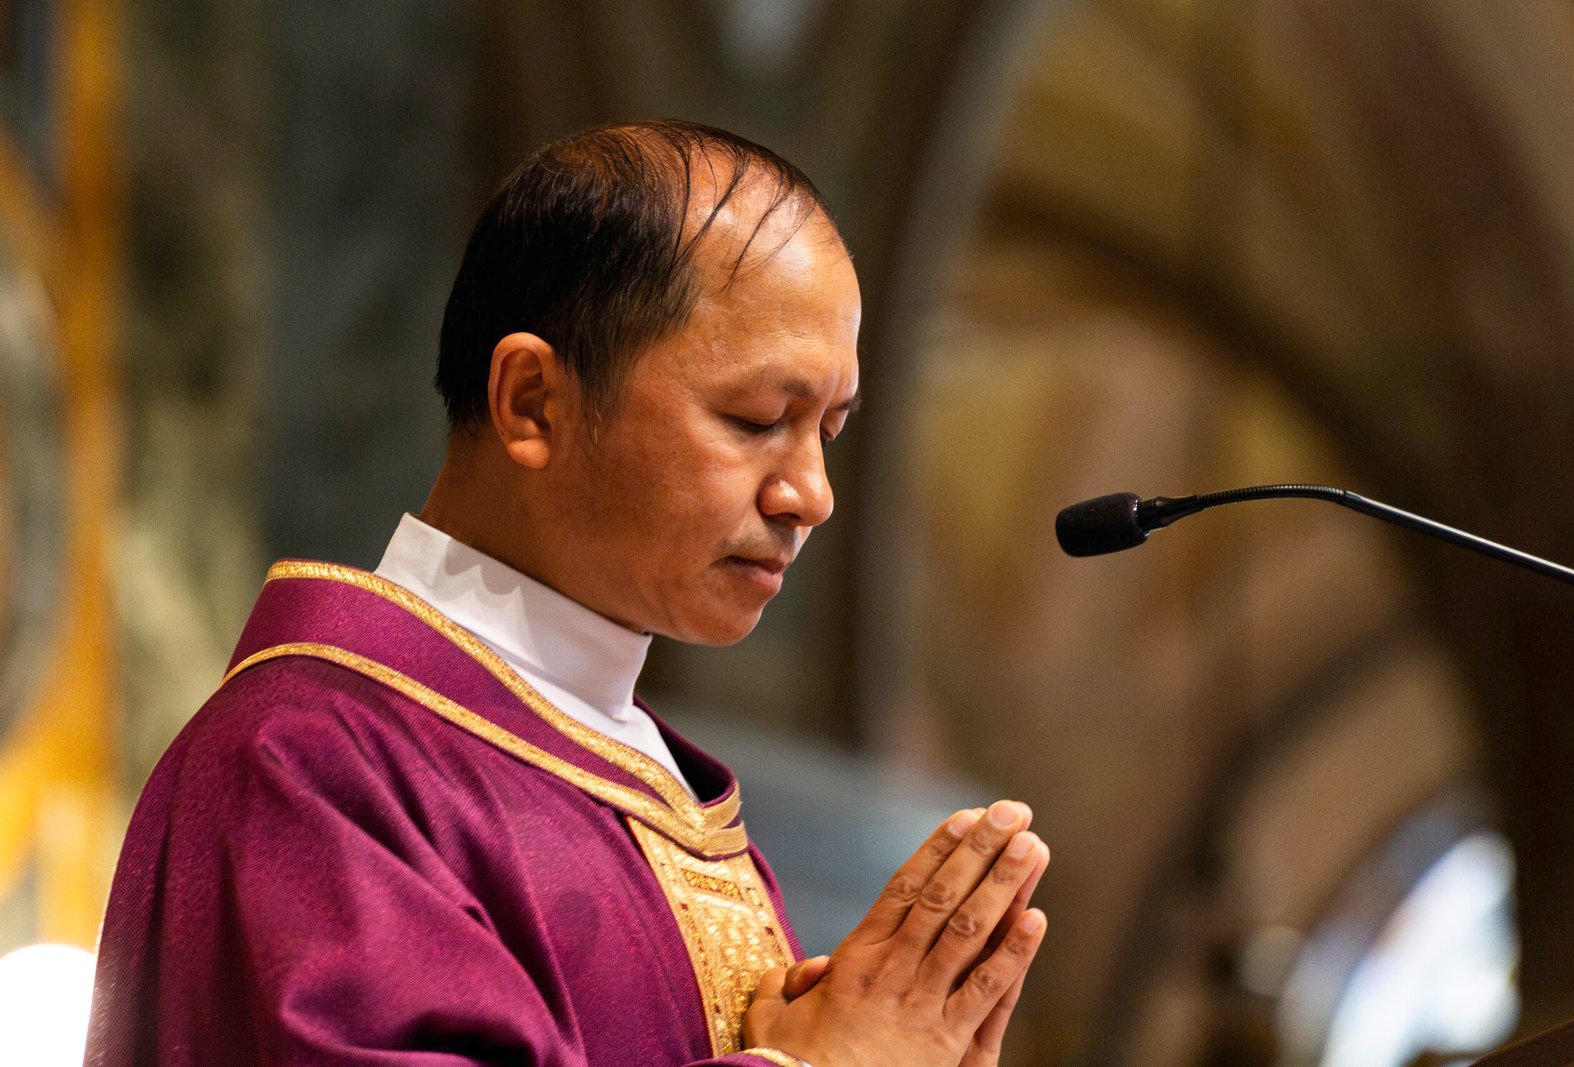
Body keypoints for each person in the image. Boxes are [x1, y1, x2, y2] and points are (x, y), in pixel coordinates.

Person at [84, 119, 1050, 1067]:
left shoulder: (648, 785)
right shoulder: (315, 763)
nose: (812, 495)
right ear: (533, 402)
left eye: (828, 432)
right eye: (758, 418)